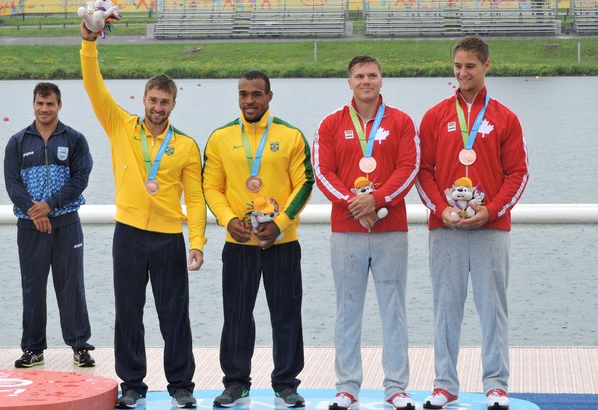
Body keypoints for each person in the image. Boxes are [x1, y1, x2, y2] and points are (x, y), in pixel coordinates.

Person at [80, 22, 206, 409]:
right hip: (129, 234)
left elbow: (197, 199)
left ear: (173, 104)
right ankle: (132, 384)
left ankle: (181, 384)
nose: (157, 107)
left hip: (169, 238)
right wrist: (88, 42)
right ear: (143, 99)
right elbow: (93, 85)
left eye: (164, 102)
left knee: (175, 315)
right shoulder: (120, 124)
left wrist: (197, 241)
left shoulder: (184, 146)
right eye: (152, 100)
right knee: (128, 312)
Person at [416, 35, 529, 410]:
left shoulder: (505, 117)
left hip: (491, 228)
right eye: (457, 66)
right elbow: (423, 173)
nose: (462, 73)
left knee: (492, 307)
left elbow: (518, 173)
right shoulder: (434, 116)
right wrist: (440, 210)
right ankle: (445, 385)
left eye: (470, 66)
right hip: (444, 228)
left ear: (486, 66)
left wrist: (491, 209)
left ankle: (496, 385)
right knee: (446, 308)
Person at [202, 70, 314, 408]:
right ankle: (236, 383)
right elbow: (211, 187)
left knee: (286, 314)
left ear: (269, 96)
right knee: (236, 315)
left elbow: (305, 183)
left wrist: (280, 223)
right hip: (239, 245)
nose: (249, 100)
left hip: (281, 243)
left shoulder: (291, 135)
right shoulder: (221, 137)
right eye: (243, 94)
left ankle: (286, 383)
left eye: (256, 94)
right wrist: (228, 219)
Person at [313, 55, 419, 410]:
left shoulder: (402, 122)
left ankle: (396, 387)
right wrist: (354, 204)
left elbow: (409, 167)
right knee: (347, 310)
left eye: (372, 75)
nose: (366, 81)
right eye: (359, 76)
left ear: (381, 80)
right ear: (349, 82)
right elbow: (323, 172)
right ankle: (347, 386)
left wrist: (376, 200)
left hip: (391, 230)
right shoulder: (330, 124)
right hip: (346, 231)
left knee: (394, 310)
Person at [4, 82, 96, 369]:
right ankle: (33, 349)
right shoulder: (18, 141)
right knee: (32, 287)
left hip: (66, 223)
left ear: (59, 105)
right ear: (33, 104)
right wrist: (36, 211)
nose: (45, 109)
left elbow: (80, 178)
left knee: (71, 286)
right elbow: (12, 183)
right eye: (40, 103)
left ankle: (80, 347)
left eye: (51, 104)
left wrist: (51, 204)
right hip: (30, 226)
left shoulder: (75, 139)